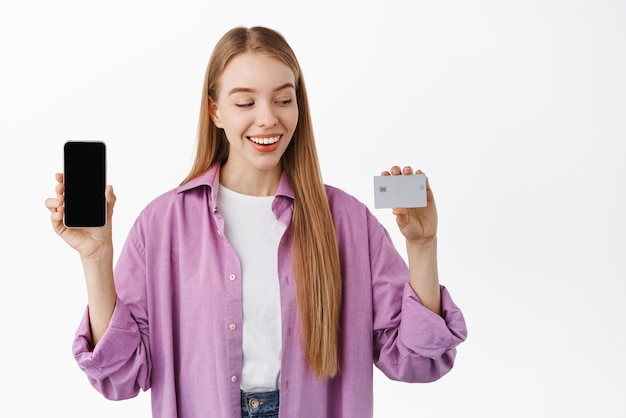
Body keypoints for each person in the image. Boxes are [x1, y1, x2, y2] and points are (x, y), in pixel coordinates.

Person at [46, 26, 467, 418]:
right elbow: (120, 377)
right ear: (215, 112)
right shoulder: (163, 224)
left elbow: (418, 361)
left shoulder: (347, 222)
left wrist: (423, 246)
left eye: (283, 99)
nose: (267, 118)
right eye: (245, 102)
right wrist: (97, 258)